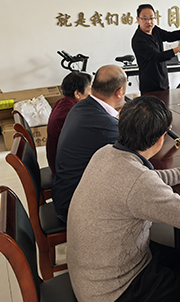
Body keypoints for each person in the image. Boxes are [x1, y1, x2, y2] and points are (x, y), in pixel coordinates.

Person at [68, 96, 180, 302]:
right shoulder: (138, 181)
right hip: (110, 291)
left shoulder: (105, 153)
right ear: (160, 139)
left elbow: (148, 178)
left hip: (95, 274)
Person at [53, 65, 127, 221]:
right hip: (74, 206)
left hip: (64, 192)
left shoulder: (80, 106)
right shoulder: (105, 125)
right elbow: (135, 155)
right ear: (120, 92)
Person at [131, 4, 180, 93]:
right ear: (138, 19)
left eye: (151, 18)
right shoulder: (138, 40)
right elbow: (157, 57)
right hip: (150, 86)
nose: (149, 22)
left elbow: (169, 36)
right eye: (145, 18)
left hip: (163, 82)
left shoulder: (155, 30)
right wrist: (178, 49)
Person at [46, 71, 92, 176]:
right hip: (65, 171)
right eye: (90, 89)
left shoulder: (62, 103)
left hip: (58, 163)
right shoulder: (72, 112)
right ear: (77, 94)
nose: (92, 94)